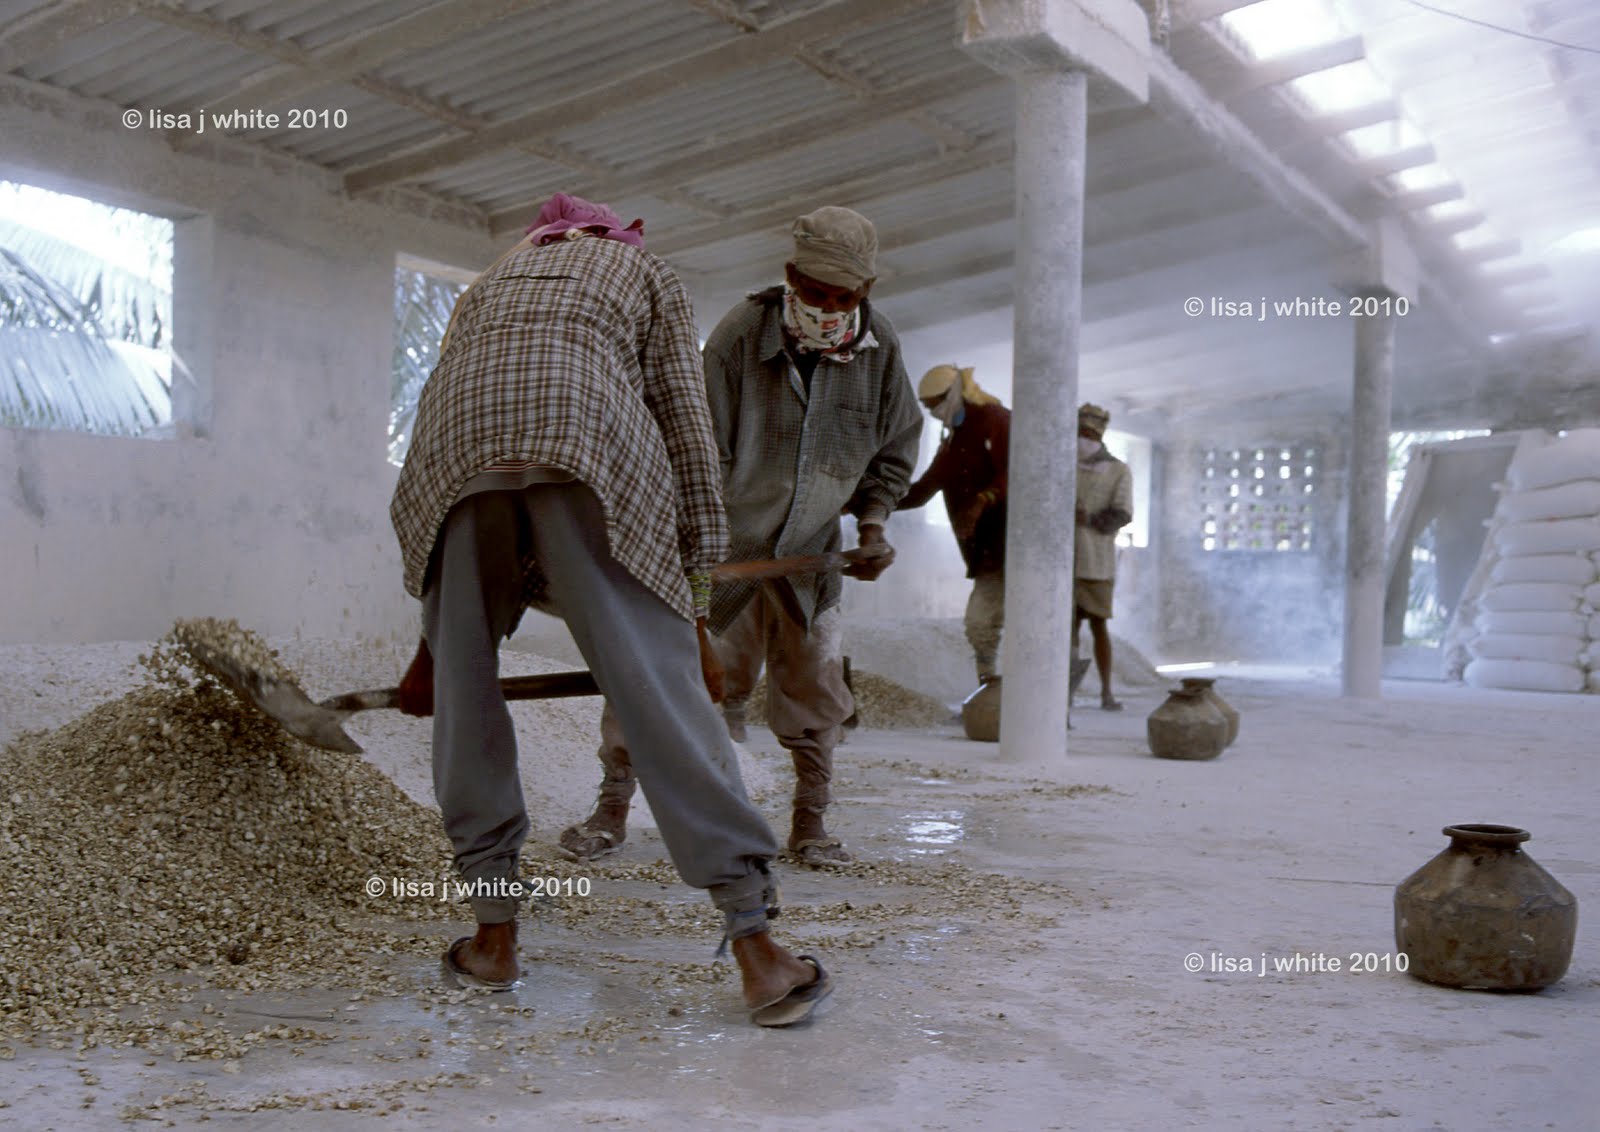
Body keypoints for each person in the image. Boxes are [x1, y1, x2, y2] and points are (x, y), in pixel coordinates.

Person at [388, 192, 828, 1025]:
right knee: (661, 704)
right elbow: (686, 432)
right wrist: (694, 616)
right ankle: (760, 953)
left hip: (457, 464)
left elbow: (432, 413)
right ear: (616, 236)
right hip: (589, 449)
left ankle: (493, 941)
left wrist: (437, 647)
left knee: (465, 704)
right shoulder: (643, 270)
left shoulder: (490, 282)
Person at [560, 205, 922, 869]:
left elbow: (895, 447)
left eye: (844, 297)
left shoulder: (880, 351)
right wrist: (688, 553)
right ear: (790, 276)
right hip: (719, 544)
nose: (828, 306)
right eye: (814, 293)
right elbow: (693, 450)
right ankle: (611, 809)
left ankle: (810, 824)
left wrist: (872, 524)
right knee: (663, 676)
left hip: (811, 554)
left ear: (866, 293)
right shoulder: (737, 338)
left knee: (812, 686)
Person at [896, 365, 1010, 685]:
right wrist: (873, 503)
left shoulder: (996, 421)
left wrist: (980, 501)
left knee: (1027, 619)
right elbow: (923, 490)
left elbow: (1014, 472)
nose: (933, 412)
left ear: (955, 394)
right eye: (928, 407)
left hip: (1016, 543)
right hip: (986, 552)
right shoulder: (953, 442)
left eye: (936, 404)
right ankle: (989, 684)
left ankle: (1041, 697)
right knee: (980, 623)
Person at [1073, 402, 1134, 711]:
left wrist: (1091, 519)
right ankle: (1064, 693)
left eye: (1088, 434)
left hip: (1096, 561)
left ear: (1098, 436)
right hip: (1065, 562)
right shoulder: (1064, 464)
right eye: (1078, 432)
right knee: (1067, 627)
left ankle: (1106, 692)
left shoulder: (1118, 470)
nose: (1082, 439)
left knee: (1098, 625)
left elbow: (1123, 512)